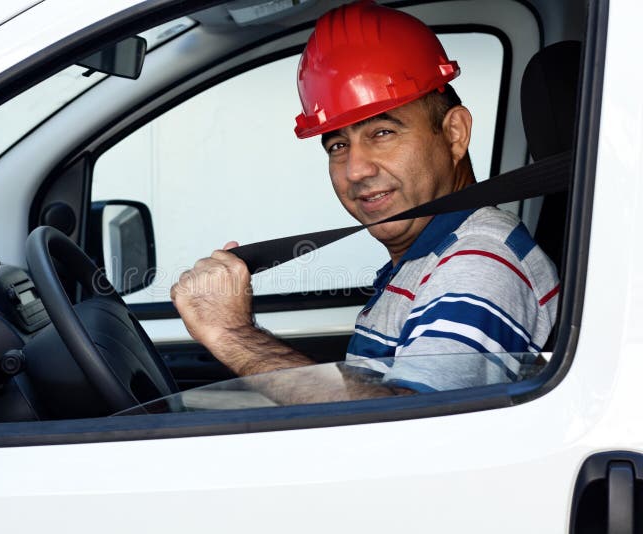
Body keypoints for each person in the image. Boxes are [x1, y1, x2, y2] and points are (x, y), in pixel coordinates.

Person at [170, 1, 559, 397]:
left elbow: (413, 438)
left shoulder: (479, 264)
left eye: (383, 133)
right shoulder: (426, 259)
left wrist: (234, 335)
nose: (355, 170)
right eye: (338, 144)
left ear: (455, 133)